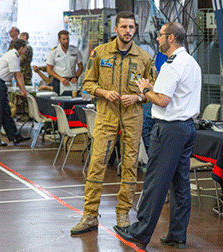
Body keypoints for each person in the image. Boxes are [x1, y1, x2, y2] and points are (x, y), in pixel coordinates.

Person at [113, 21, 201, 250]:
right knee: (180, 185)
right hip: (187, 128)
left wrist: (144, 90)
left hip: (170, 129)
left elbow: (163, 100)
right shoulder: (191, 63)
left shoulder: (172, 65)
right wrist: (153, 87)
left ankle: (140, 233)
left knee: (155, 182)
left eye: (161, 35)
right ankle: (177, 234)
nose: (158, 39)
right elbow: (173, 93)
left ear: (171, 38)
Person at [70, 11, 157, 235]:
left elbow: (153, 91)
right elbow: (87, 83)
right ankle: (89, 215)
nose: (128, 31)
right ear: (116, 29)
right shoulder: (100, 53)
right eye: (124, 27)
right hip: (106, 115)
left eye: (132, 27)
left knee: (130, 166)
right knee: (97, 163)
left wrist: (138, 97)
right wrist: (104, 92)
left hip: (133, 116)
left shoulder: (145, 58)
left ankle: (123, 214)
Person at [0, 39, 31, 146]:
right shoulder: (13, 56)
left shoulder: (11, 54)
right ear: (21, 48)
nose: (26, 50)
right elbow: (18, 75)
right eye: (25, 48)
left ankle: (15, 136)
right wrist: (23, 90)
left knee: (6, 112)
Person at [46, 30, 83, 95]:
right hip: (59, 81)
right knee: (58, 101)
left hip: (72, 81)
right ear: (59, 40)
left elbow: (80, 66)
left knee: (72, 101)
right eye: (64, 39)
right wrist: (60, 78)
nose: (66, 41)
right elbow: (49, 70)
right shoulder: (54, 52)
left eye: (67, 39)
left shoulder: (75, 50)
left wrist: (76, 77)